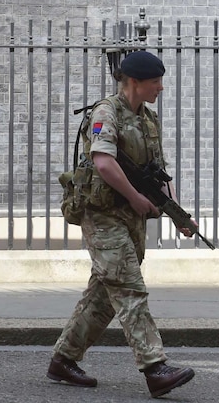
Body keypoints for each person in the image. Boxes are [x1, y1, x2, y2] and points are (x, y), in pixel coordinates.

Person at [47, 50, 196, 399]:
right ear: (134, 82)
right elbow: (103, 163)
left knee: (104, 296)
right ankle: (155, 367)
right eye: (155, 81)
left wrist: (177, 214)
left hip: (130, 216)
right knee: (129, 287)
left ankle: (63, 360)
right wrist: (133, 196)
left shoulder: (149, 119)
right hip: (102, 214)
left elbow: (158, 174)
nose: (160, 87)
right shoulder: (106, 112)